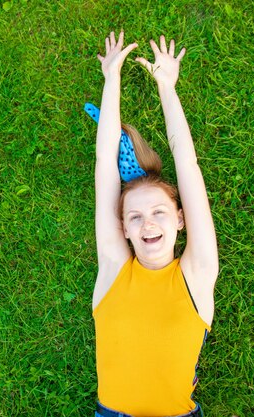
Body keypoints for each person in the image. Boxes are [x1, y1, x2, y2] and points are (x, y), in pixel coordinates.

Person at [93, 31, 219, 417]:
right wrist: (110, 78)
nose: (147, 223)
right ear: (124, 229)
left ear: (181, 219)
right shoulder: (114, 269)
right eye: (135, 216)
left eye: (159, 212)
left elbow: (187, 164)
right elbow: (104, 167)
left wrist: (168, 87)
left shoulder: (196, 274)